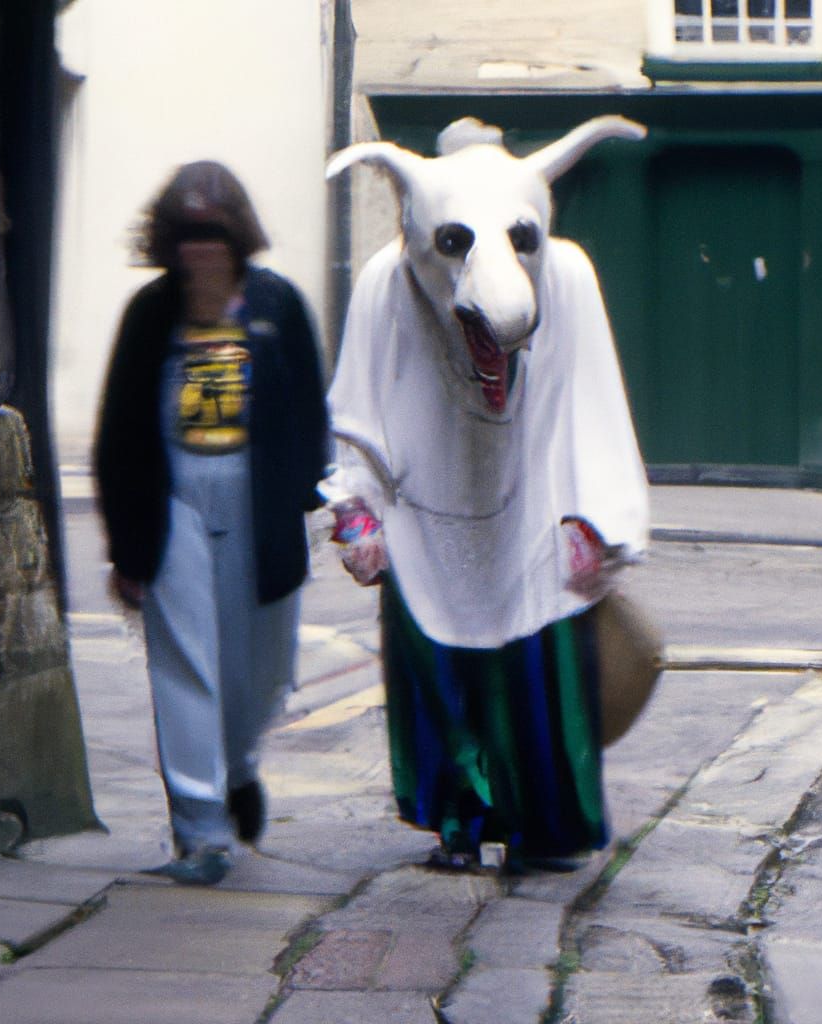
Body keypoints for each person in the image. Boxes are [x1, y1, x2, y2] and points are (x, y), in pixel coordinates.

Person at [321, 118, 650, 873]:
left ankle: (544, 826)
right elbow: (359, 404)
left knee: (535, 679)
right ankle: (459, 821)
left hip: (531, 512)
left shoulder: (564, 276)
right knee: (443, 683)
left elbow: (592, 396)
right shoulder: (386, 282)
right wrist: (357, 507)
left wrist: (596, 516)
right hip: (425, 524)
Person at [94, 161, 328, 885]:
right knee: (185, 662)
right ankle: (201, 832)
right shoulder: (149, 314)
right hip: (176, 499)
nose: (201, 251)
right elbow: (120, 429)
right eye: (188, 237)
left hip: (257, 499)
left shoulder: (277, 304)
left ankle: (240, 767)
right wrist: (127, 548)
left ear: (238, 241)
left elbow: (310, 411)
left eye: (214, 237)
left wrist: (311, 498)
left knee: (259, 671)